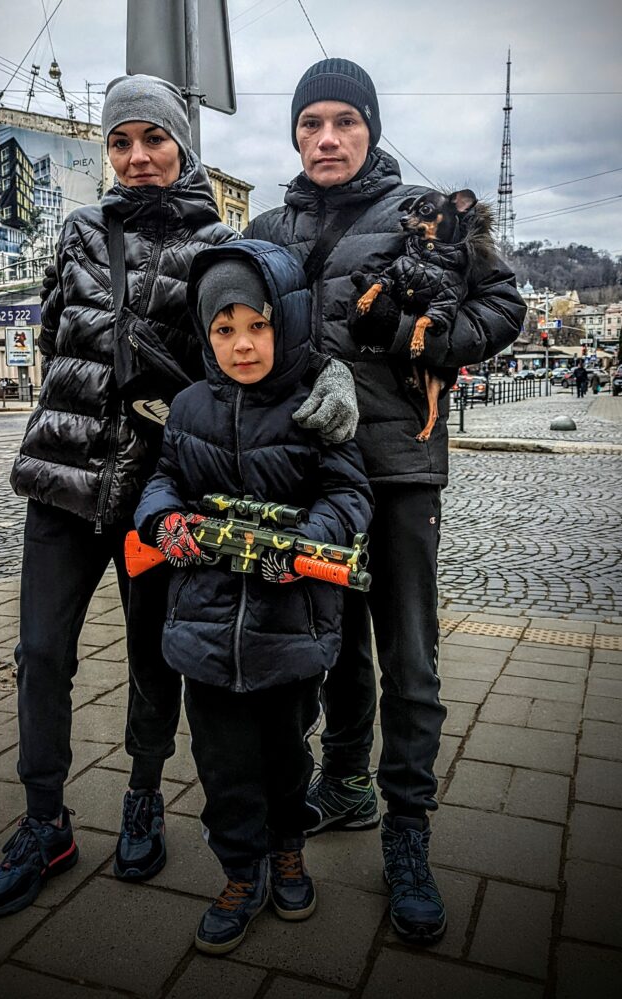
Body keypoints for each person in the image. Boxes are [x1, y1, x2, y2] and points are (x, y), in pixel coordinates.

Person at [0, 74, 358, 918]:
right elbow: (49, 334)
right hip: (65, 478)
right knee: (41, 654)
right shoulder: (78, 231)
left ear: (184, 141)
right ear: (106, 152)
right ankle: (45, 821)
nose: (139, 156)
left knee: (153, 660)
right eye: (120, 141)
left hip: (161, 486)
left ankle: (142, 795)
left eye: (154, 138)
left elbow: (269, 327)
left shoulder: (219, 240)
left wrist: (326, 373)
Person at [245, 57, 526, 944]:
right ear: (294, 134)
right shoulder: (267, 225)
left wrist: (413, 332)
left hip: (399, 470)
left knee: (408, 655)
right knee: (330, 647)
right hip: (305, 472)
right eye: (309, 124)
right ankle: (346, 784)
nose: (326, 138)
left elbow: (503, 310)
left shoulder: (430, 217)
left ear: (369, 128)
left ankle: (408, 830)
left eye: (344, 121)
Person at [134, 240, 373, 954]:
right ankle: (240, 871)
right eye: (224, 328)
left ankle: (288, 847)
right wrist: (162, 521)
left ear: (287, 322)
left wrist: (308, 542)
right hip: (203, 633)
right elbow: (162, 480)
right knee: (223, 766)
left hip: (289, 631)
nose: (242, 344)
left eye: (258, 325)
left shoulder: (315, 406)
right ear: (206, 335)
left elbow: (348, 492)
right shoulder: (185, 406)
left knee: (286, 758)